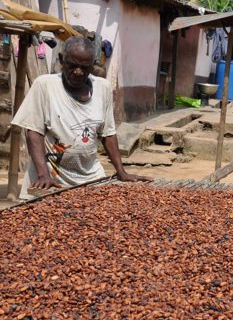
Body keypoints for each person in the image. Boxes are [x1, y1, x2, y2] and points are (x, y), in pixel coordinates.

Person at [11, 36, 150, 200]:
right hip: (50, 177)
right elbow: (33, 132)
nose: (78, 72)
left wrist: (121, 171)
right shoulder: (45, 85)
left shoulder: (102, 88)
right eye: (72, 66)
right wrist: (43, 175)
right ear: (62, 60)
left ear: (92, 66)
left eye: (84, 68)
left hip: (90, 176)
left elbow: (108, 134)